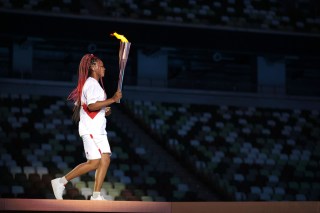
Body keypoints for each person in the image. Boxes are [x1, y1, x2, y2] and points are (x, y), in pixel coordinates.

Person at [51, 53, 122, 200]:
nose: (104, 68)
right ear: (94, 67)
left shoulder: (94, 85)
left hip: (99, 130)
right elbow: (91, 105)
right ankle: (61, 182)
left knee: (105, 159)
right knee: (94, 162)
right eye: (101, 66)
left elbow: (93, 107)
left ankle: (96, 195)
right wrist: (113, 99)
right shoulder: (91, 84)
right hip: (91, 129)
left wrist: (105, 109)